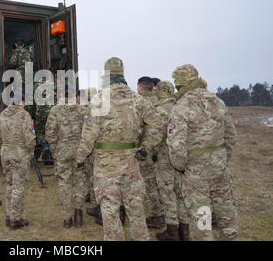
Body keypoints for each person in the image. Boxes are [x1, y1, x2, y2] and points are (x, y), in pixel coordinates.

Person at [76, 57, 164, 241]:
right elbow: (157, 124)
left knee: (110, 212)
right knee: (136, 210)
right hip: (131, 163)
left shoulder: (99, 100)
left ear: (106, 76)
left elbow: (89, 135)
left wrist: (80, 158)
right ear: (122, 75)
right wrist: (146, 148)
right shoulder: (137, 99)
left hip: (106, 166)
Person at [167, 64, 239, 241]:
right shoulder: (217, 101)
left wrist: (183, 167)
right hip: (220, 167)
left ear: (180, 84)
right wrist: (221, 158)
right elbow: (231, 136)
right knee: (227, 213)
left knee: (202, 217)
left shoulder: (181, 106)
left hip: (195, 172)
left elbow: (176, 146)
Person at [152, 81, 189, 241]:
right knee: (181, 194)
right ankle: (185, 231)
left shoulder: (159, 111)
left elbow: (155, 136)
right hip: (182, 159)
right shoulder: (181, 108)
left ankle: (172, 232)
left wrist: (151, 152)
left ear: (159, 93)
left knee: (167, 195)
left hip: (164, 158)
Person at [45, 84, 86, 228]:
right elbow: (89, 132)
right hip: (80, 151)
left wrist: (55, 151)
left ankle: (67, 218)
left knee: (64, 182)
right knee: (79, 181)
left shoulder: (55, 110)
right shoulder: (82, 110)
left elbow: (50, 134)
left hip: (62, 150)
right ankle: (79, 214)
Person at [0, 91, 36, 230]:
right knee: (18, 186)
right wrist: (31, 150)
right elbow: (30, 138)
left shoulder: (2, 115)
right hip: (19, 154)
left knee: (10, 184)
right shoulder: (24, 115)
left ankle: (9, 215)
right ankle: (15, 219)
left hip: (5, 153)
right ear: (21, 101)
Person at [136, 76, 165, 229]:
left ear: (140, 87)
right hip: (162, 149)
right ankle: (164, 211)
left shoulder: (139, 103)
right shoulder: (160, 100)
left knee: (149, 183)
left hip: (145, 149)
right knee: (160, 182)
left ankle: (156, 215)